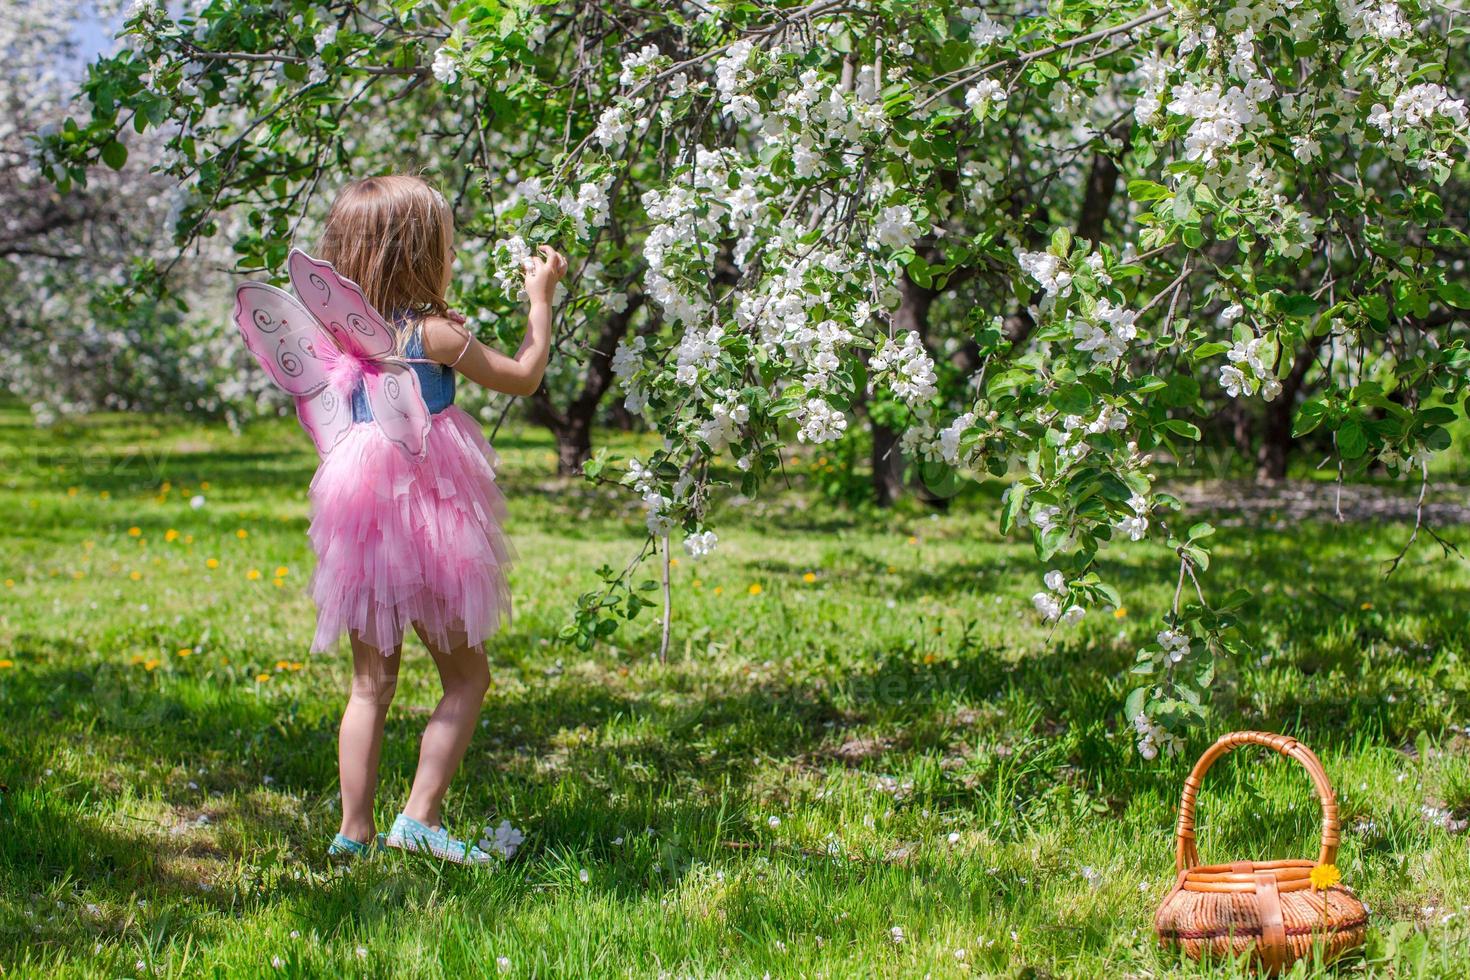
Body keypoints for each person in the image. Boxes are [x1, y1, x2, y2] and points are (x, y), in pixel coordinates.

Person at [307, 174, 566, 863]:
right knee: (467, 677)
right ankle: (418, 817)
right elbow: (524, 376)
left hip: (362, 515)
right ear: (424, 253)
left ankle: (352, 833)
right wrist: (540, 303)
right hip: (432, 521)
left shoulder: (338, 340)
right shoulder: (437, 336)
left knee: (370, 685)